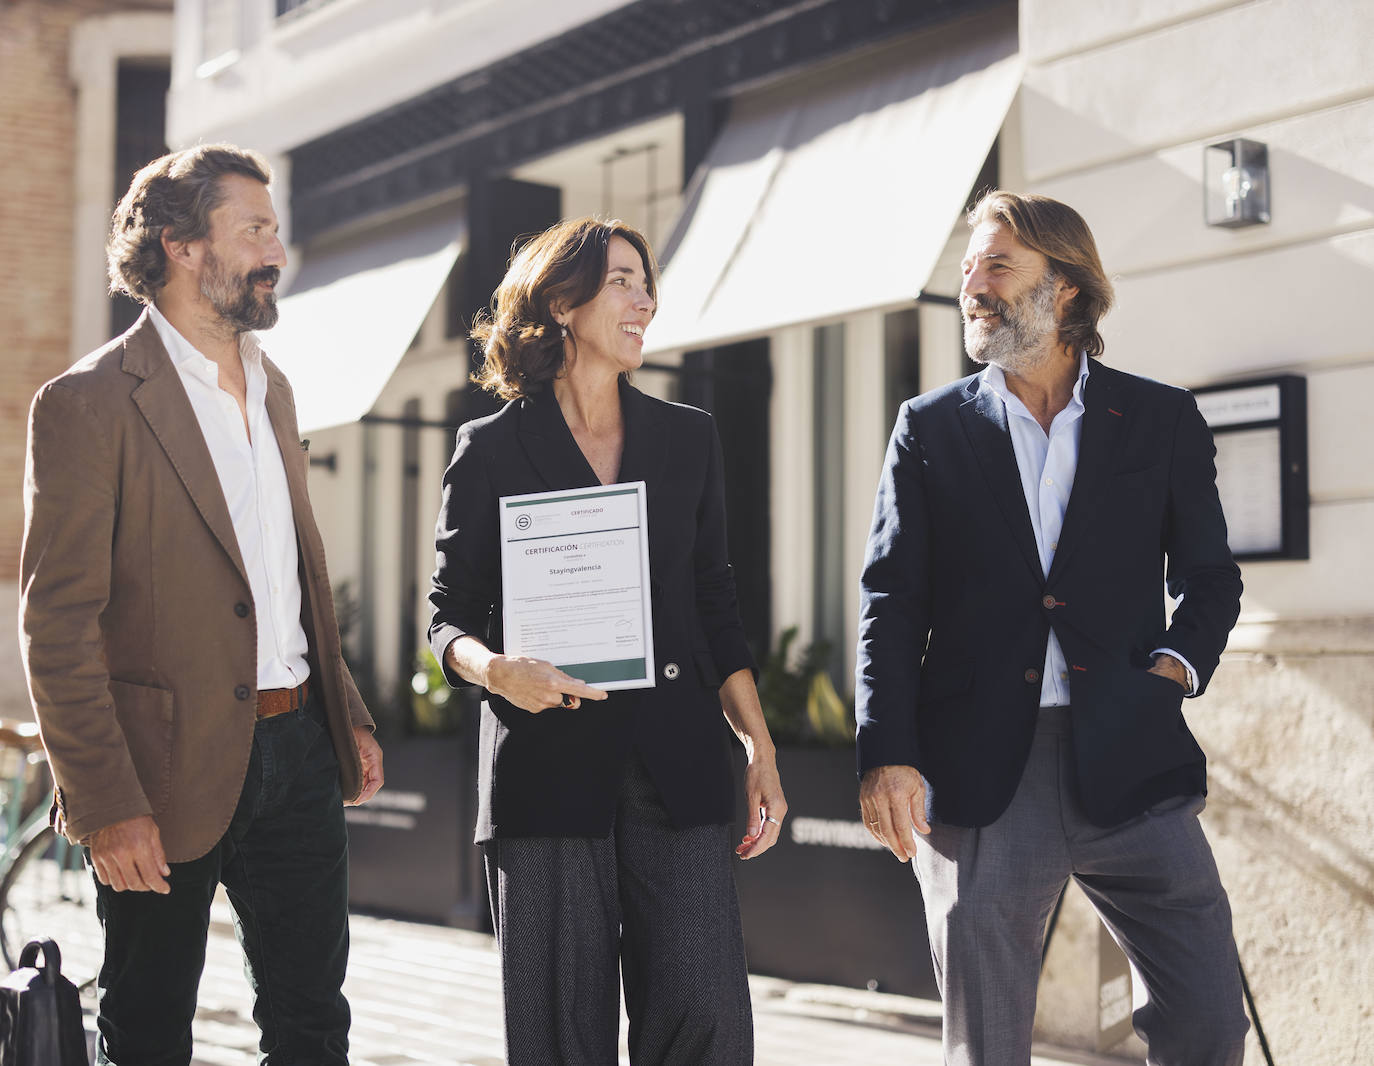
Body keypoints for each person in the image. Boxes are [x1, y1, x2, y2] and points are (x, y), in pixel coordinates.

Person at [855, 190, 1250, 1065]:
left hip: (1131, 755)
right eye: (969, 270)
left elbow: (1212, 579)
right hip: (984, 775)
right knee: (987, 1046)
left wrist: (1175, 671)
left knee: (1210, 1021)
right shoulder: (930, 428)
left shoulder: (1159, 419)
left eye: (997, 265)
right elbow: (892, 597)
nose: (974, 286)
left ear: (1065, 288)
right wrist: (887, 748)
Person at [19, 144, 384, 1066]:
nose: (277, 249)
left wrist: (347, 716)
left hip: (299, 753)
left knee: (314, 1025)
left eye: (275, 228)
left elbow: (288, 580)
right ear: (181, 245)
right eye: (255, 227)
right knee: (147, 1032)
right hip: (156, 772)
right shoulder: (88, 403)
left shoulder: (276, 389)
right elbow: (56, 625)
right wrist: (104, 803)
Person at [429, 217, 785, 1065]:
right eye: (623, 280)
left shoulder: (687, 436)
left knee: (703, 1015)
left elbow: (715, 602)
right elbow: (447, 617)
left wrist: (759, 745)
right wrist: (497, 671)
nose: (644, 300)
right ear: (561, 301)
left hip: (680, 764)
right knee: (559, 1035)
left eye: (645, 282)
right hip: (545, 773)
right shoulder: (489, 451)